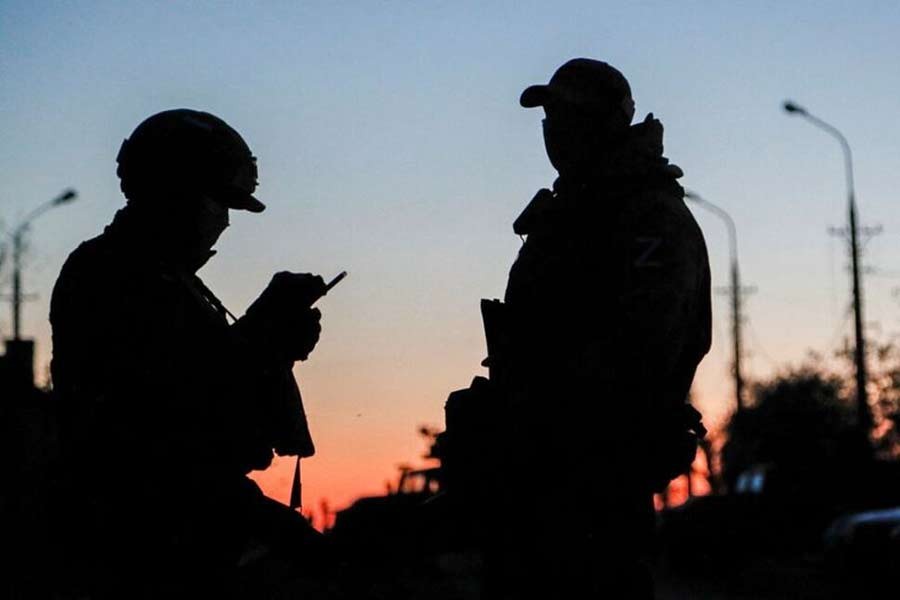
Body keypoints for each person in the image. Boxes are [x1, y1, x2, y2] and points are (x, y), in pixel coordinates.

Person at [50, 109, 329, 597]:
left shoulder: (169, 281)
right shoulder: (108, 274)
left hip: (189, 525)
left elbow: (212, 396)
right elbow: (156, 424)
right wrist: (260, 338)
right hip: (143, 542)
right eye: (217, 201)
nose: (224, 222)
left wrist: (271, 349)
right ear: (172, 191)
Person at [486, 59, 711, 598]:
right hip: (542, 474)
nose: (556, 133)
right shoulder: (579, 209)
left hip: (598, 475)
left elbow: (646, 348)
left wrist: (552, 407)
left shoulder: (647, 216)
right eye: (550, 120)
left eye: (571, 118)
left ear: (608, 123)